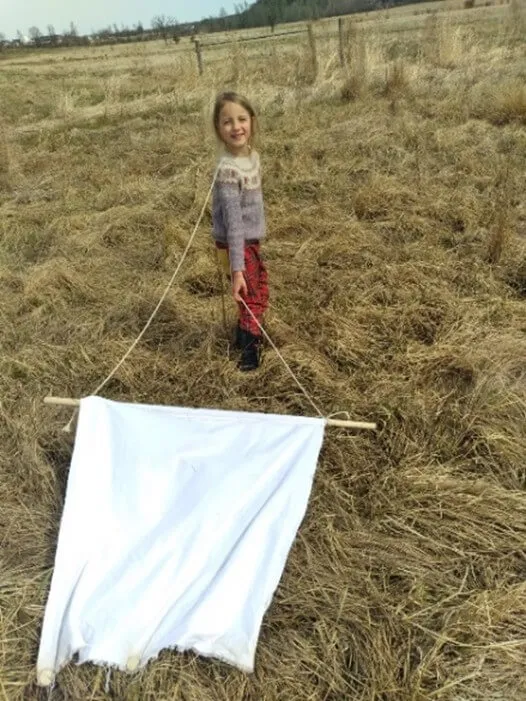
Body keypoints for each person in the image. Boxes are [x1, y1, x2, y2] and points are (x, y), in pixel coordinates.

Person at [211, 91, 269, 372]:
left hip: (250, 241)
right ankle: (249, 350)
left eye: (242, 119)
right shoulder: (228, 171)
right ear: (218, 130)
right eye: (227, 122)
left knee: (254, 290)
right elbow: (234, 225)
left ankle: (243, 333)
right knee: (250, 293)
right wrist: (237, 270)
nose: (236, 127)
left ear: (252, 122)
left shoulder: (251, 158)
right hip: (238, 244)